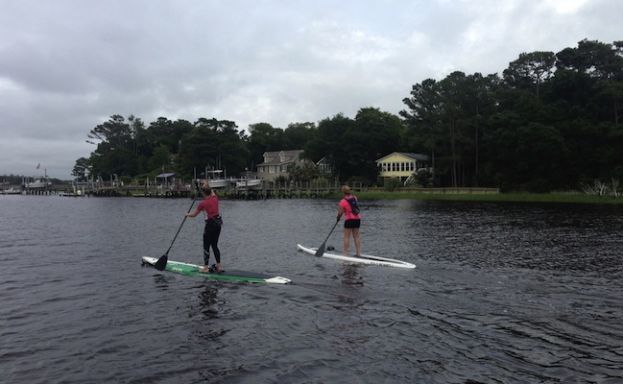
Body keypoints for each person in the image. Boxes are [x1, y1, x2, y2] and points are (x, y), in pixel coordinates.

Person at [186, 180, 223, 273]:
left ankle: (205, 268)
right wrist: (202, 186)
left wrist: (187, 214)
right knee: (214, 245)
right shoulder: (215, 198)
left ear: (203, 192)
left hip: (210, 225)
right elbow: (210, 190)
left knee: (206, 246)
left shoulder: (203, 204)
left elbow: (194, 215)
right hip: (218, 224)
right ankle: (219, 266)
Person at [336, 185, 361, 257]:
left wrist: (338, 218)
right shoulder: (355, 198)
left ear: (343, 192)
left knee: (346, 237)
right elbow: (353, 207)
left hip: (349, 220)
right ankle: (358, 253)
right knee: (356, 237)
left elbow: (340, 212)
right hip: (357, 219)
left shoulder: (342, 201)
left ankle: (345, 254)